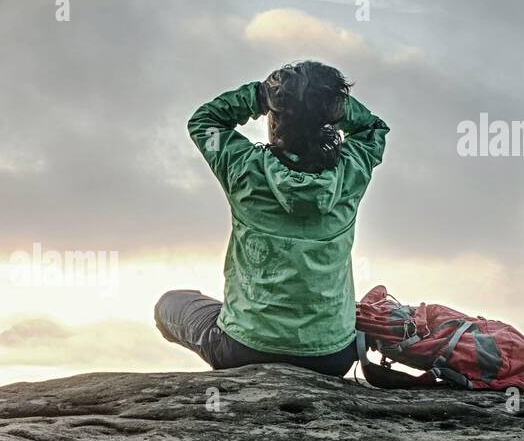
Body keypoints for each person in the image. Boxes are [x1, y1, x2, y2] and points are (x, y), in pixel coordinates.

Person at [155, 60, 389, 377]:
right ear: (333, 116)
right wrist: (325, 102)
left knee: (171, 304)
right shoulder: (352, 170)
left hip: (244, 349)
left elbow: (205, 121)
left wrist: (260, 95)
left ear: (275, 118)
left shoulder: (243, 167)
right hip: (331, 356)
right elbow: (373, 128)